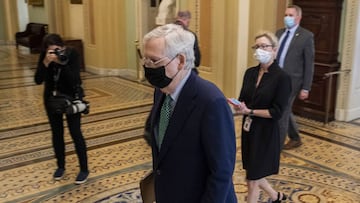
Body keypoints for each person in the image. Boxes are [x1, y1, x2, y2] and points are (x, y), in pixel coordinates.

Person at [142, 23, 237, 202]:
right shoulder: (160, 90)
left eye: (154, 61)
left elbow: (222, 171)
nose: (148, 67)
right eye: (145, 60)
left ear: (181, 61)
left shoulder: (210, 101)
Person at [233, 31, 291, 203]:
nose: (260, 50)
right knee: (253, 173)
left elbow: (277, 112)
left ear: (274, 50)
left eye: (264, 46)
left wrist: (249, 111)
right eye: (257, 46)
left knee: (252, 180)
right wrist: (238, 106)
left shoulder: (282, 78)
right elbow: (244, 98)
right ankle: (275, 196)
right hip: (249, 129)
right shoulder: (250, 73)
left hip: (265, 132)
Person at [34, 33, 89, 184]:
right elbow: (38, 80)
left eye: (57, 49)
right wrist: (46, 62)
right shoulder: (45, 56)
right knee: (57, 133)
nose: (55, 53)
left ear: (63, 47)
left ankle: (84, 169)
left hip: (71, 98)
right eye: (51, 51)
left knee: (75, 132)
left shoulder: (72, 54)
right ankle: (60, 166)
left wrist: (60, 62)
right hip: (51, 100)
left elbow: (74, 80)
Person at [276, 4, 315, 150]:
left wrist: (306, 87)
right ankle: (295, 137)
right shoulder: (279, 33)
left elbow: (309, 64)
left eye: (291, 15)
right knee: (286, 109)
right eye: (286, 15)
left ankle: (276, 147)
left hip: (293, 81)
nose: (287, 18)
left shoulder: (306, 36)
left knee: (282, 112)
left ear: (298, 18)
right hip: (277, 79)